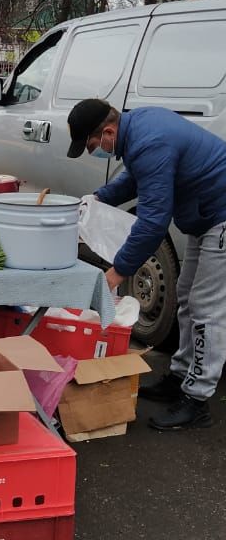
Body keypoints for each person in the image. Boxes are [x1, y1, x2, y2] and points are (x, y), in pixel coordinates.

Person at [67, 97, 226, 431]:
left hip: (220, 216)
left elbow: (153, 222)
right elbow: (134, 180)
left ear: (108, 131)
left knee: (206, 308)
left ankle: (196, 402)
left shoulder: (149, 140)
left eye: (93, 144)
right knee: (186, 295)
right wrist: (97, 200)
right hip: (205, 216)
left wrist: (116, 272)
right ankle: (181, 378)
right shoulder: (137, 129)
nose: (96, 150)